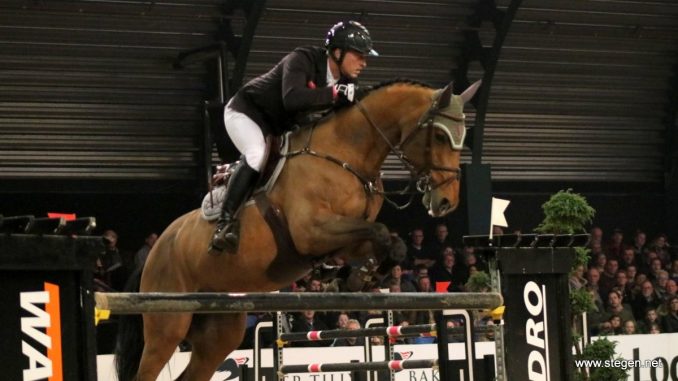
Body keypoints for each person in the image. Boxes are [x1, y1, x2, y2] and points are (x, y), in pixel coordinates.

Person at [211, 20, 378, 252]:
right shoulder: (302, 59)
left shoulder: (347, 81)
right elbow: (292, 99)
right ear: (338, 52)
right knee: (257, 154)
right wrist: (334, 93)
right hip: (247, 112)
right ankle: (225, 223)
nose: (364, 62)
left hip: (281, 126)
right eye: (359, 55)